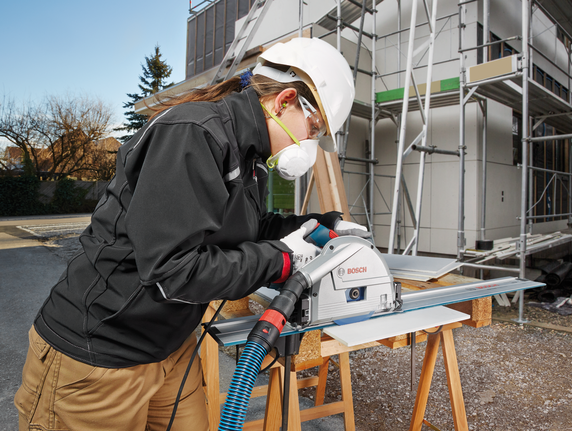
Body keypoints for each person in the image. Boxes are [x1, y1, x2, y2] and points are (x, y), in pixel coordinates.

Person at [14, 37, 365, 431]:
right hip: (100, 354)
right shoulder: (195, 134)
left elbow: (245, 230)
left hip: (170, 347)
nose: (310, 142)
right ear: (284, 101)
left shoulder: (250, 158)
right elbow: (171, 271)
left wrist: (322, 225)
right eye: (314, 127)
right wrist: (282, 258)